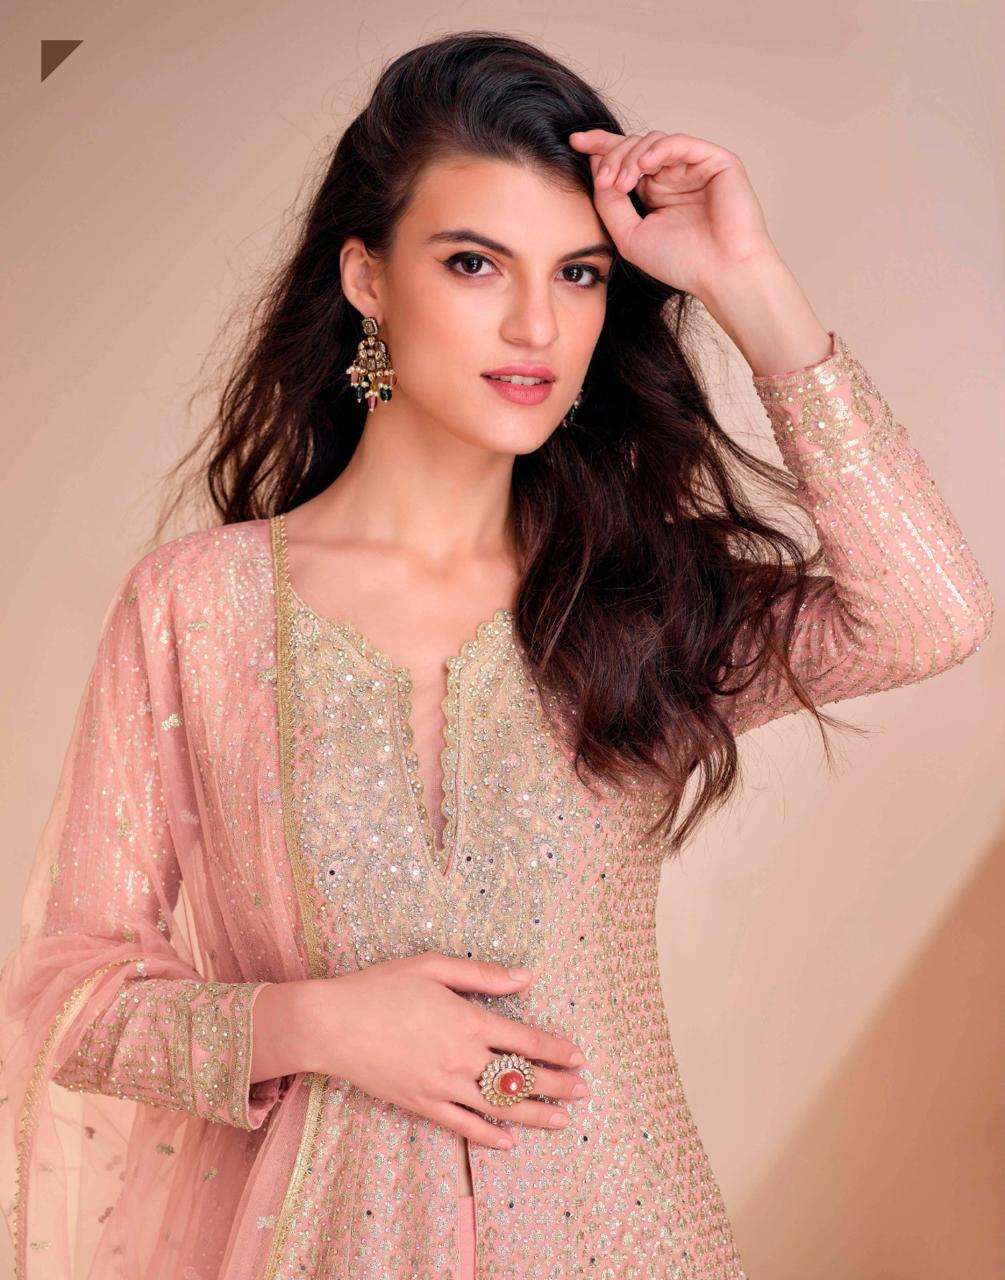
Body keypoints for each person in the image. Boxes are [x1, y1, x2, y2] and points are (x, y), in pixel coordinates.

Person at [0, 29, 994, 1280]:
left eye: (579, 275)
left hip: (632, 1240)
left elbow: (928, 614)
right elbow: (71, 998)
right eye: (474, 262)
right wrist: (314, 1023)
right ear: (366, 276)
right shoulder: (199, 607)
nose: (536, 322)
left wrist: (748, 281)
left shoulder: (638, 601)